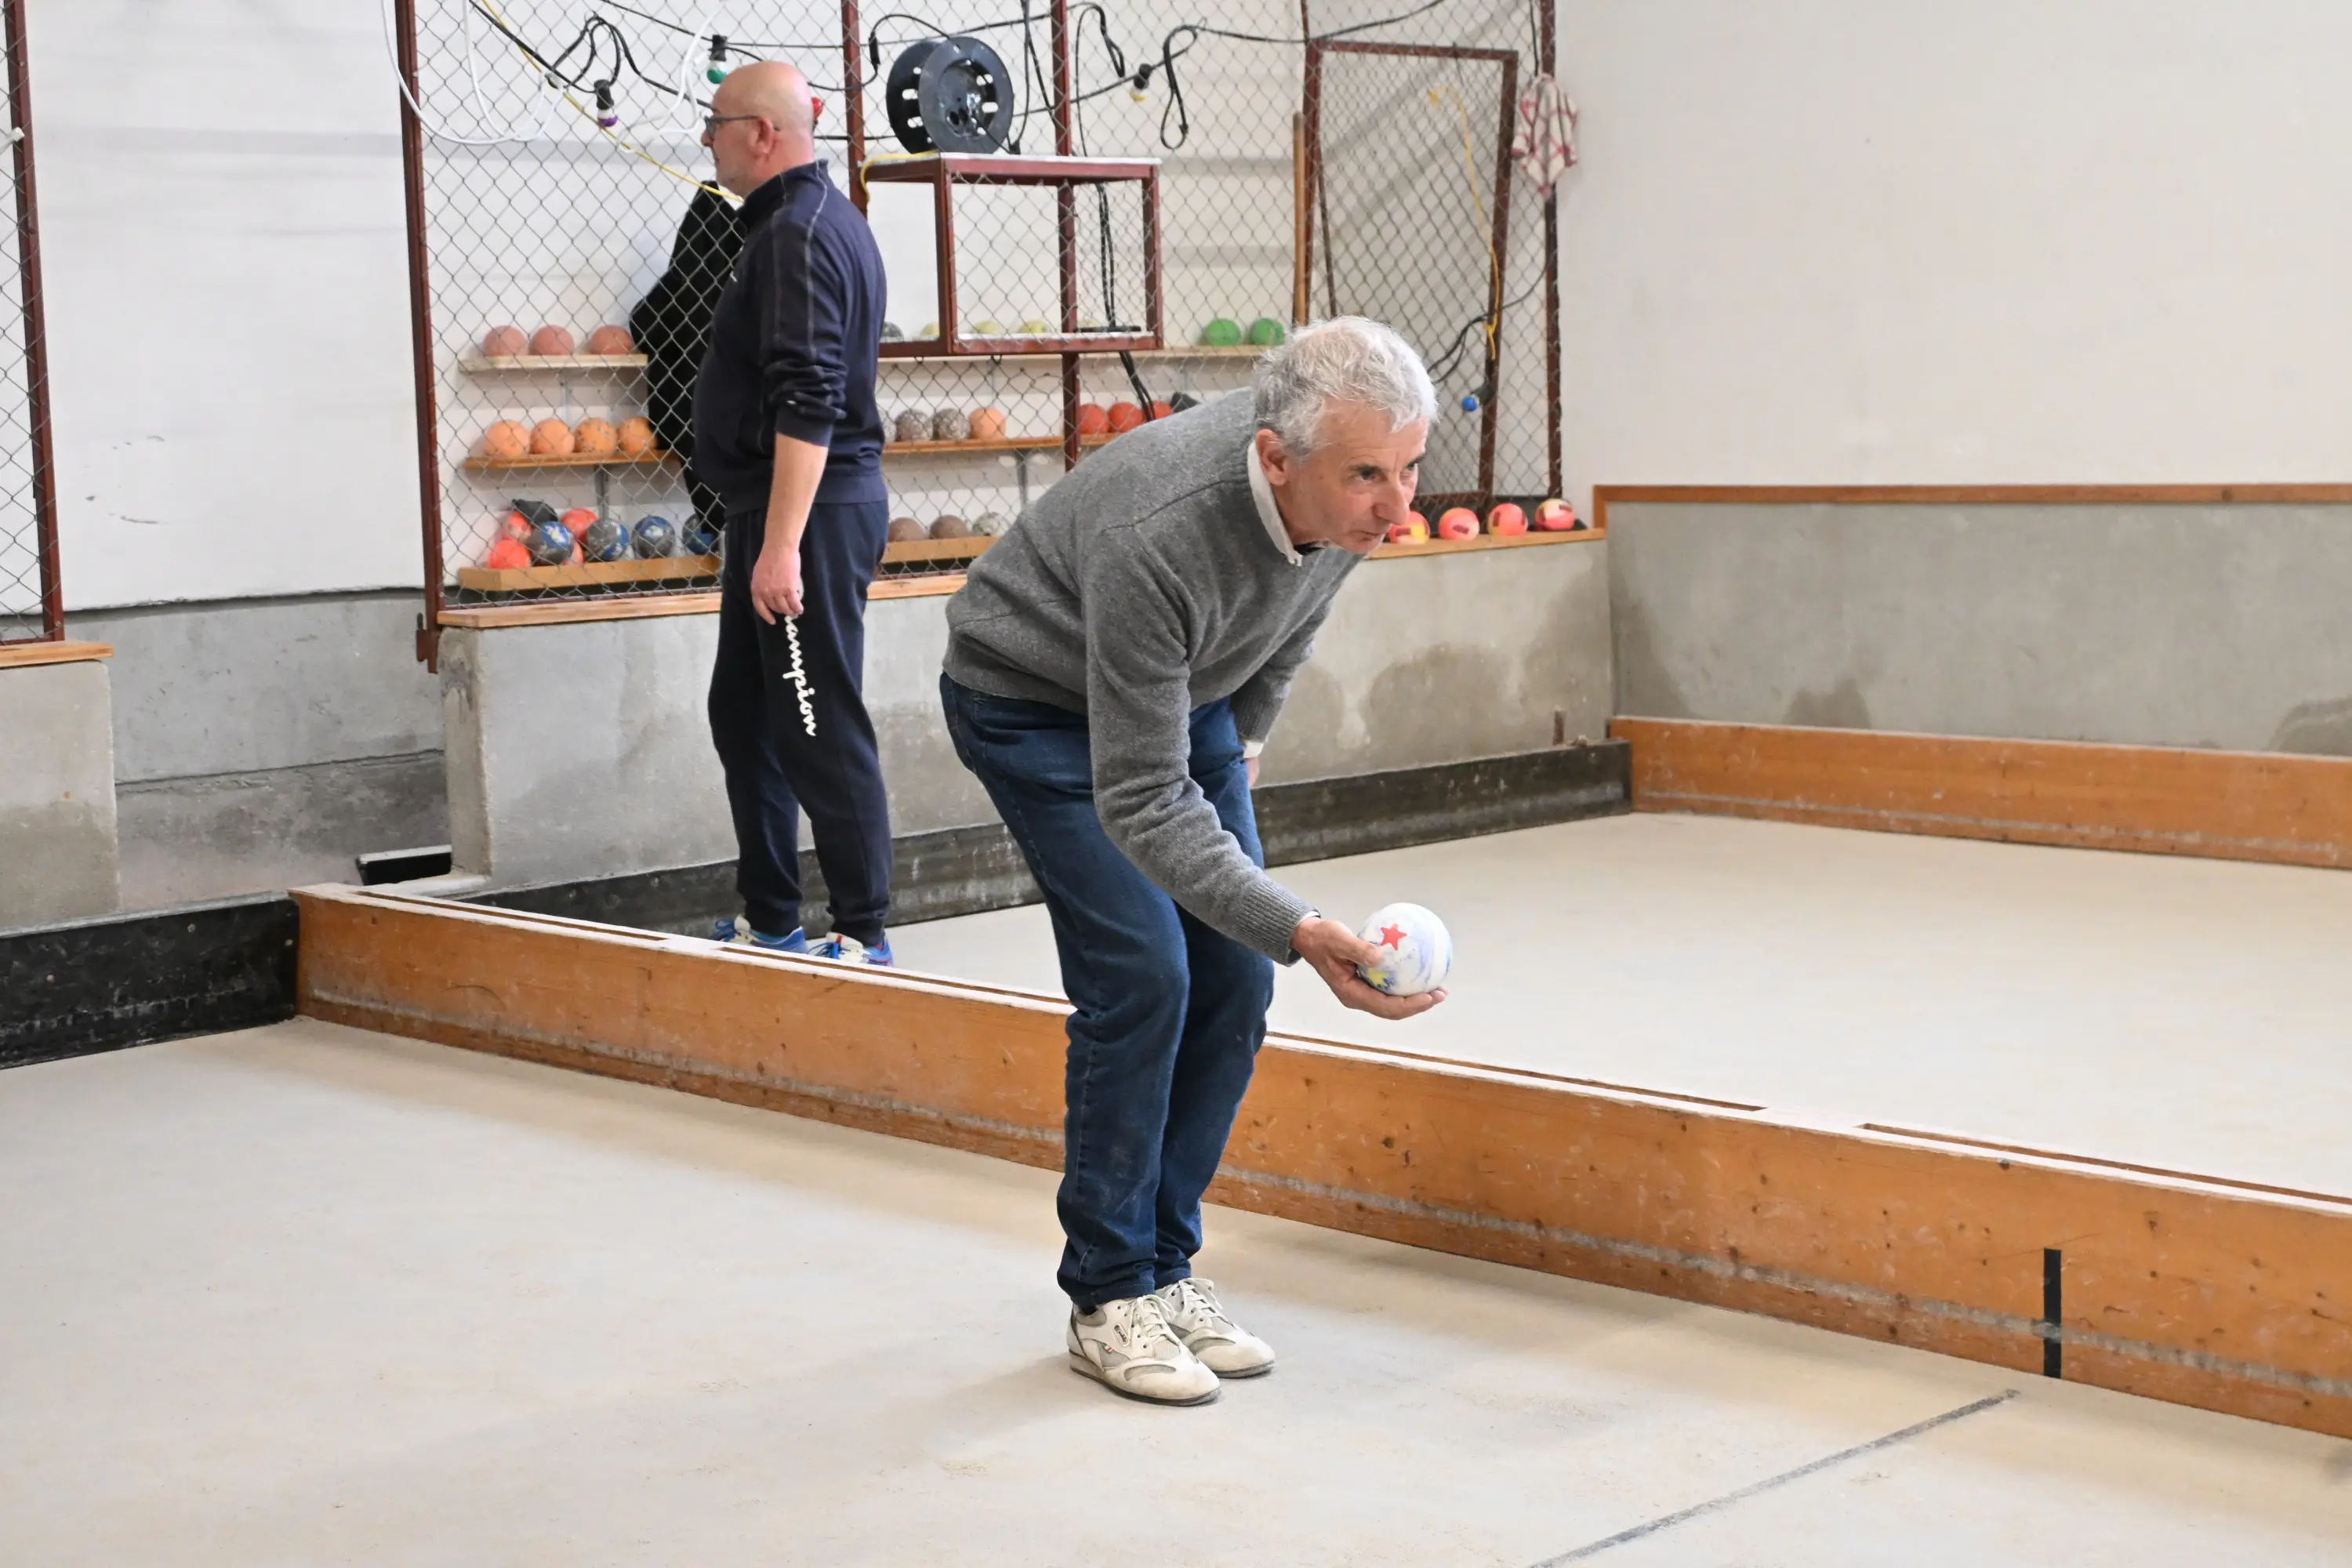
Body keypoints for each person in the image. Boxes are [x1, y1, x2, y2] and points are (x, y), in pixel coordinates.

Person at [939, 318, 1447, 1406]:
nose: (1397, 504)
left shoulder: (1342, 500)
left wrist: (1247, 739)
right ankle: (1108, 1292)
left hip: (1183, 695)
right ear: (1277, 457)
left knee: (1232, 977)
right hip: (1032, 703)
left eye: (1410, 469)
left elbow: (1290, 618)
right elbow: (1141, 794)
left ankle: (1165, 1269)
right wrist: (1303, 927)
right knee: (1145, 975)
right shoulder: (1162, 528)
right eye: (1369, 475)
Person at [694, 62, 895, 965]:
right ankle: (772, 914)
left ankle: (864, 929)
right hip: (772, 513)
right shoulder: (796, 222)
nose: (709, 139)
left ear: (764, 135)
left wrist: (781, 548)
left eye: (718, 123)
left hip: (805, 517)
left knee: (815, 721)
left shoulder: (800, 234)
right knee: (743, 714)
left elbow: (810, 399)